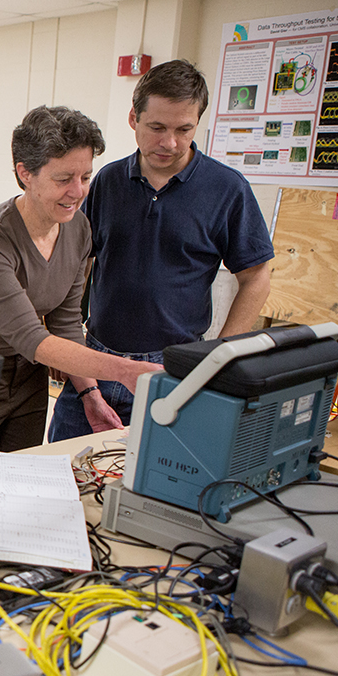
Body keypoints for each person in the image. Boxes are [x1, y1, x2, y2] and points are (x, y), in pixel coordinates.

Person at [48, 60, 274, 442]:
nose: (169, 142)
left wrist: (222, 353)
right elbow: (78, 263)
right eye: (157, 128)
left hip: (173, 369)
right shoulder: (106, 180)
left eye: (183, 129)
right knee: (64, 476)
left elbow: (256, 276)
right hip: (97, 357)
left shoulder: (227, 189)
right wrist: (67, 340)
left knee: (155, 482)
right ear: (133, 118)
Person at [0, 106, 163, 452]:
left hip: (28, 374)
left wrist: (90, 393)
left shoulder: (77, 228)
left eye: (85, 177)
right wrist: (124, 370)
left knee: (22, 474)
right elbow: (31, 336)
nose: (78, 191)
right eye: (63, 179)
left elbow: (66, 322)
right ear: (25, 173)